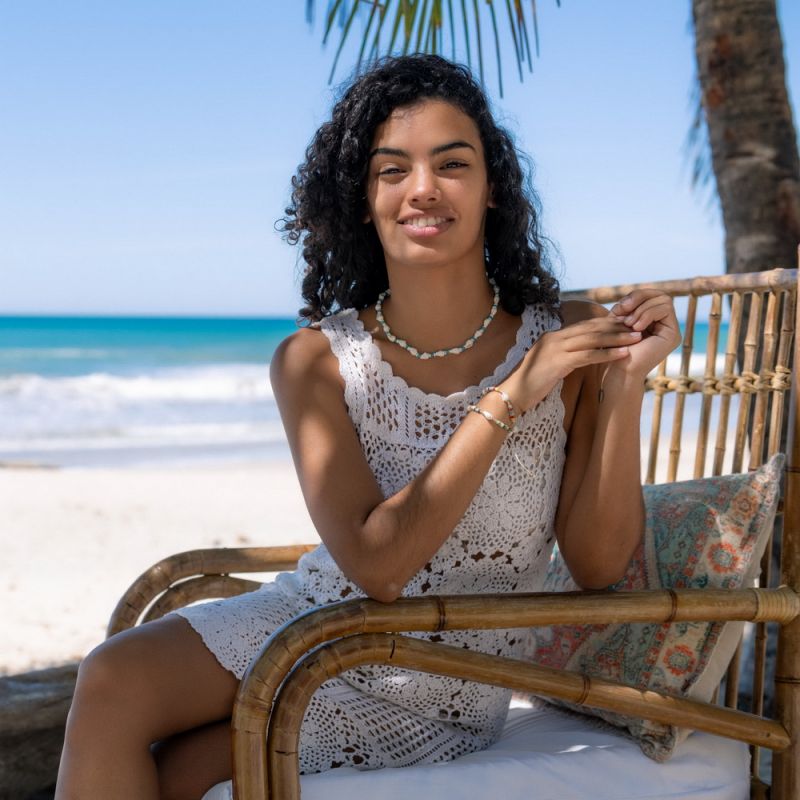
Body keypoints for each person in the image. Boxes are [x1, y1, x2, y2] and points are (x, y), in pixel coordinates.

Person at [56, 54, 681, 800]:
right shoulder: (315, 361)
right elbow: (376, 566)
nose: (423, 189)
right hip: (318, 622)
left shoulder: (566, 338)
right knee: (111, 678)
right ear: (362, 199)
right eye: (392, 171)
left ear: (491, 192)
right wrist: (513, 394)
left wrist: (625, 381)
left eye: (452, 164)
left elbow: (602, 567)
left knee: (181, 775)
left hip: (442, 682)